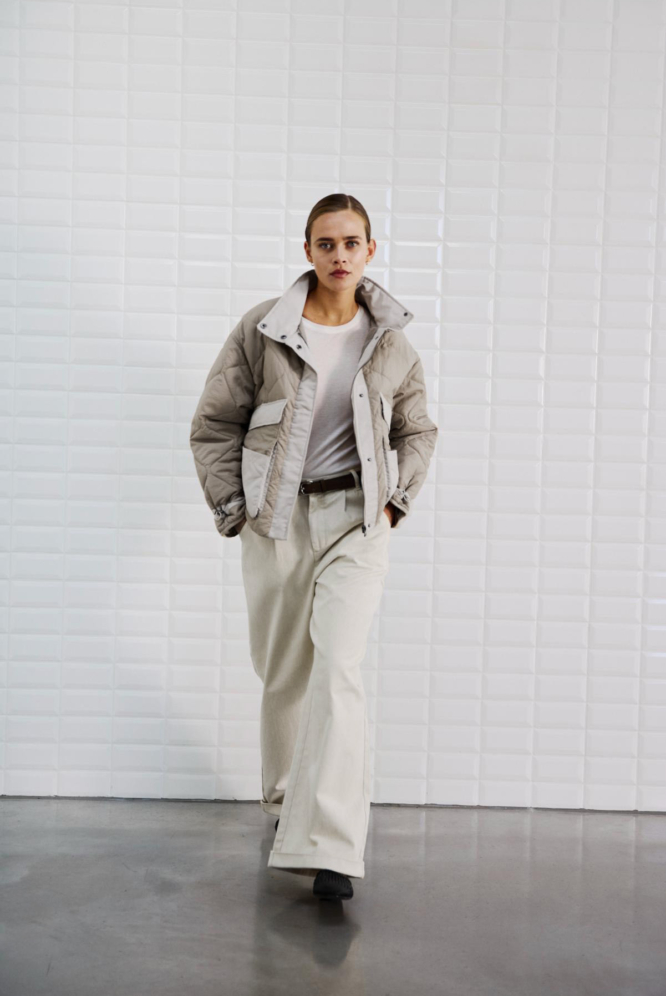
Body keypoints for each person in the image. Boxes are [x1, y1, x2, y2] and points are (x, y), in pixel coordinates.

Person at [189, 193, 438, 900]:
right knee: (284, 674)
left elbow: (418, 430)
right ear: (307, 251)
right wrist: (234, 508)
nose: (339, 255)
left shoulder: (390, 342)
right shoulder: (263, 329)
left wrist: (393, 501)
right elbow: (214, 423)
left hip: (358, 519)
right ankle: (284, 804)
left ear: (370, 250)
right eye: (325, 243)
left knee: (338, 667)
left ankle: (330, 844)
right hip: (277, 520)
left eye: (351, 243)